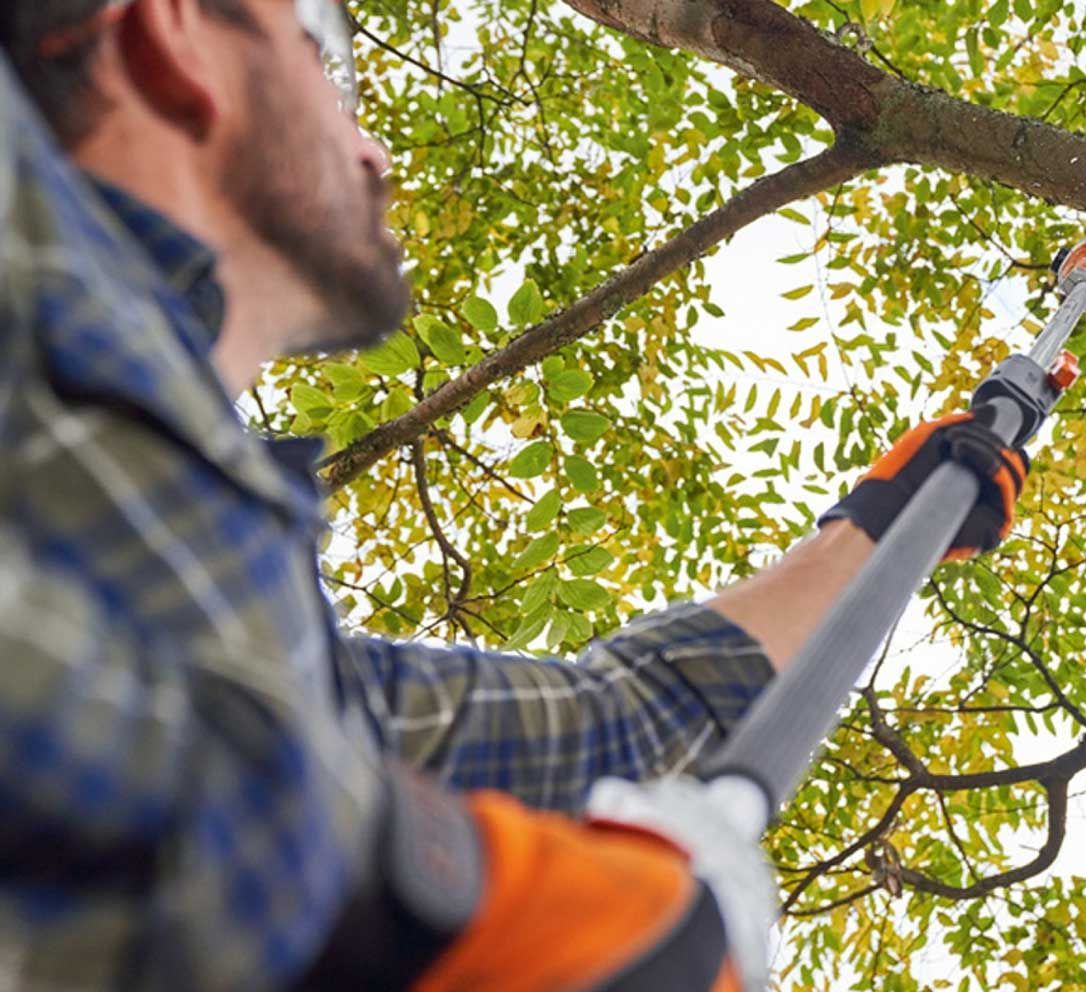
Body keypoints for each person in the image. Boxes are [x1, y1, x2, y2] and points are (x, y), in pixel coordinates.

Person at [0, 0, 1031, 988]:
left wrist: (868, 534)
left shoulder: (243, 634)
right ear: (174, 26)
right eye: (322, 55)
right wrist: (432, 893)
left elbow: (608, 728)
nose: (377, 155)